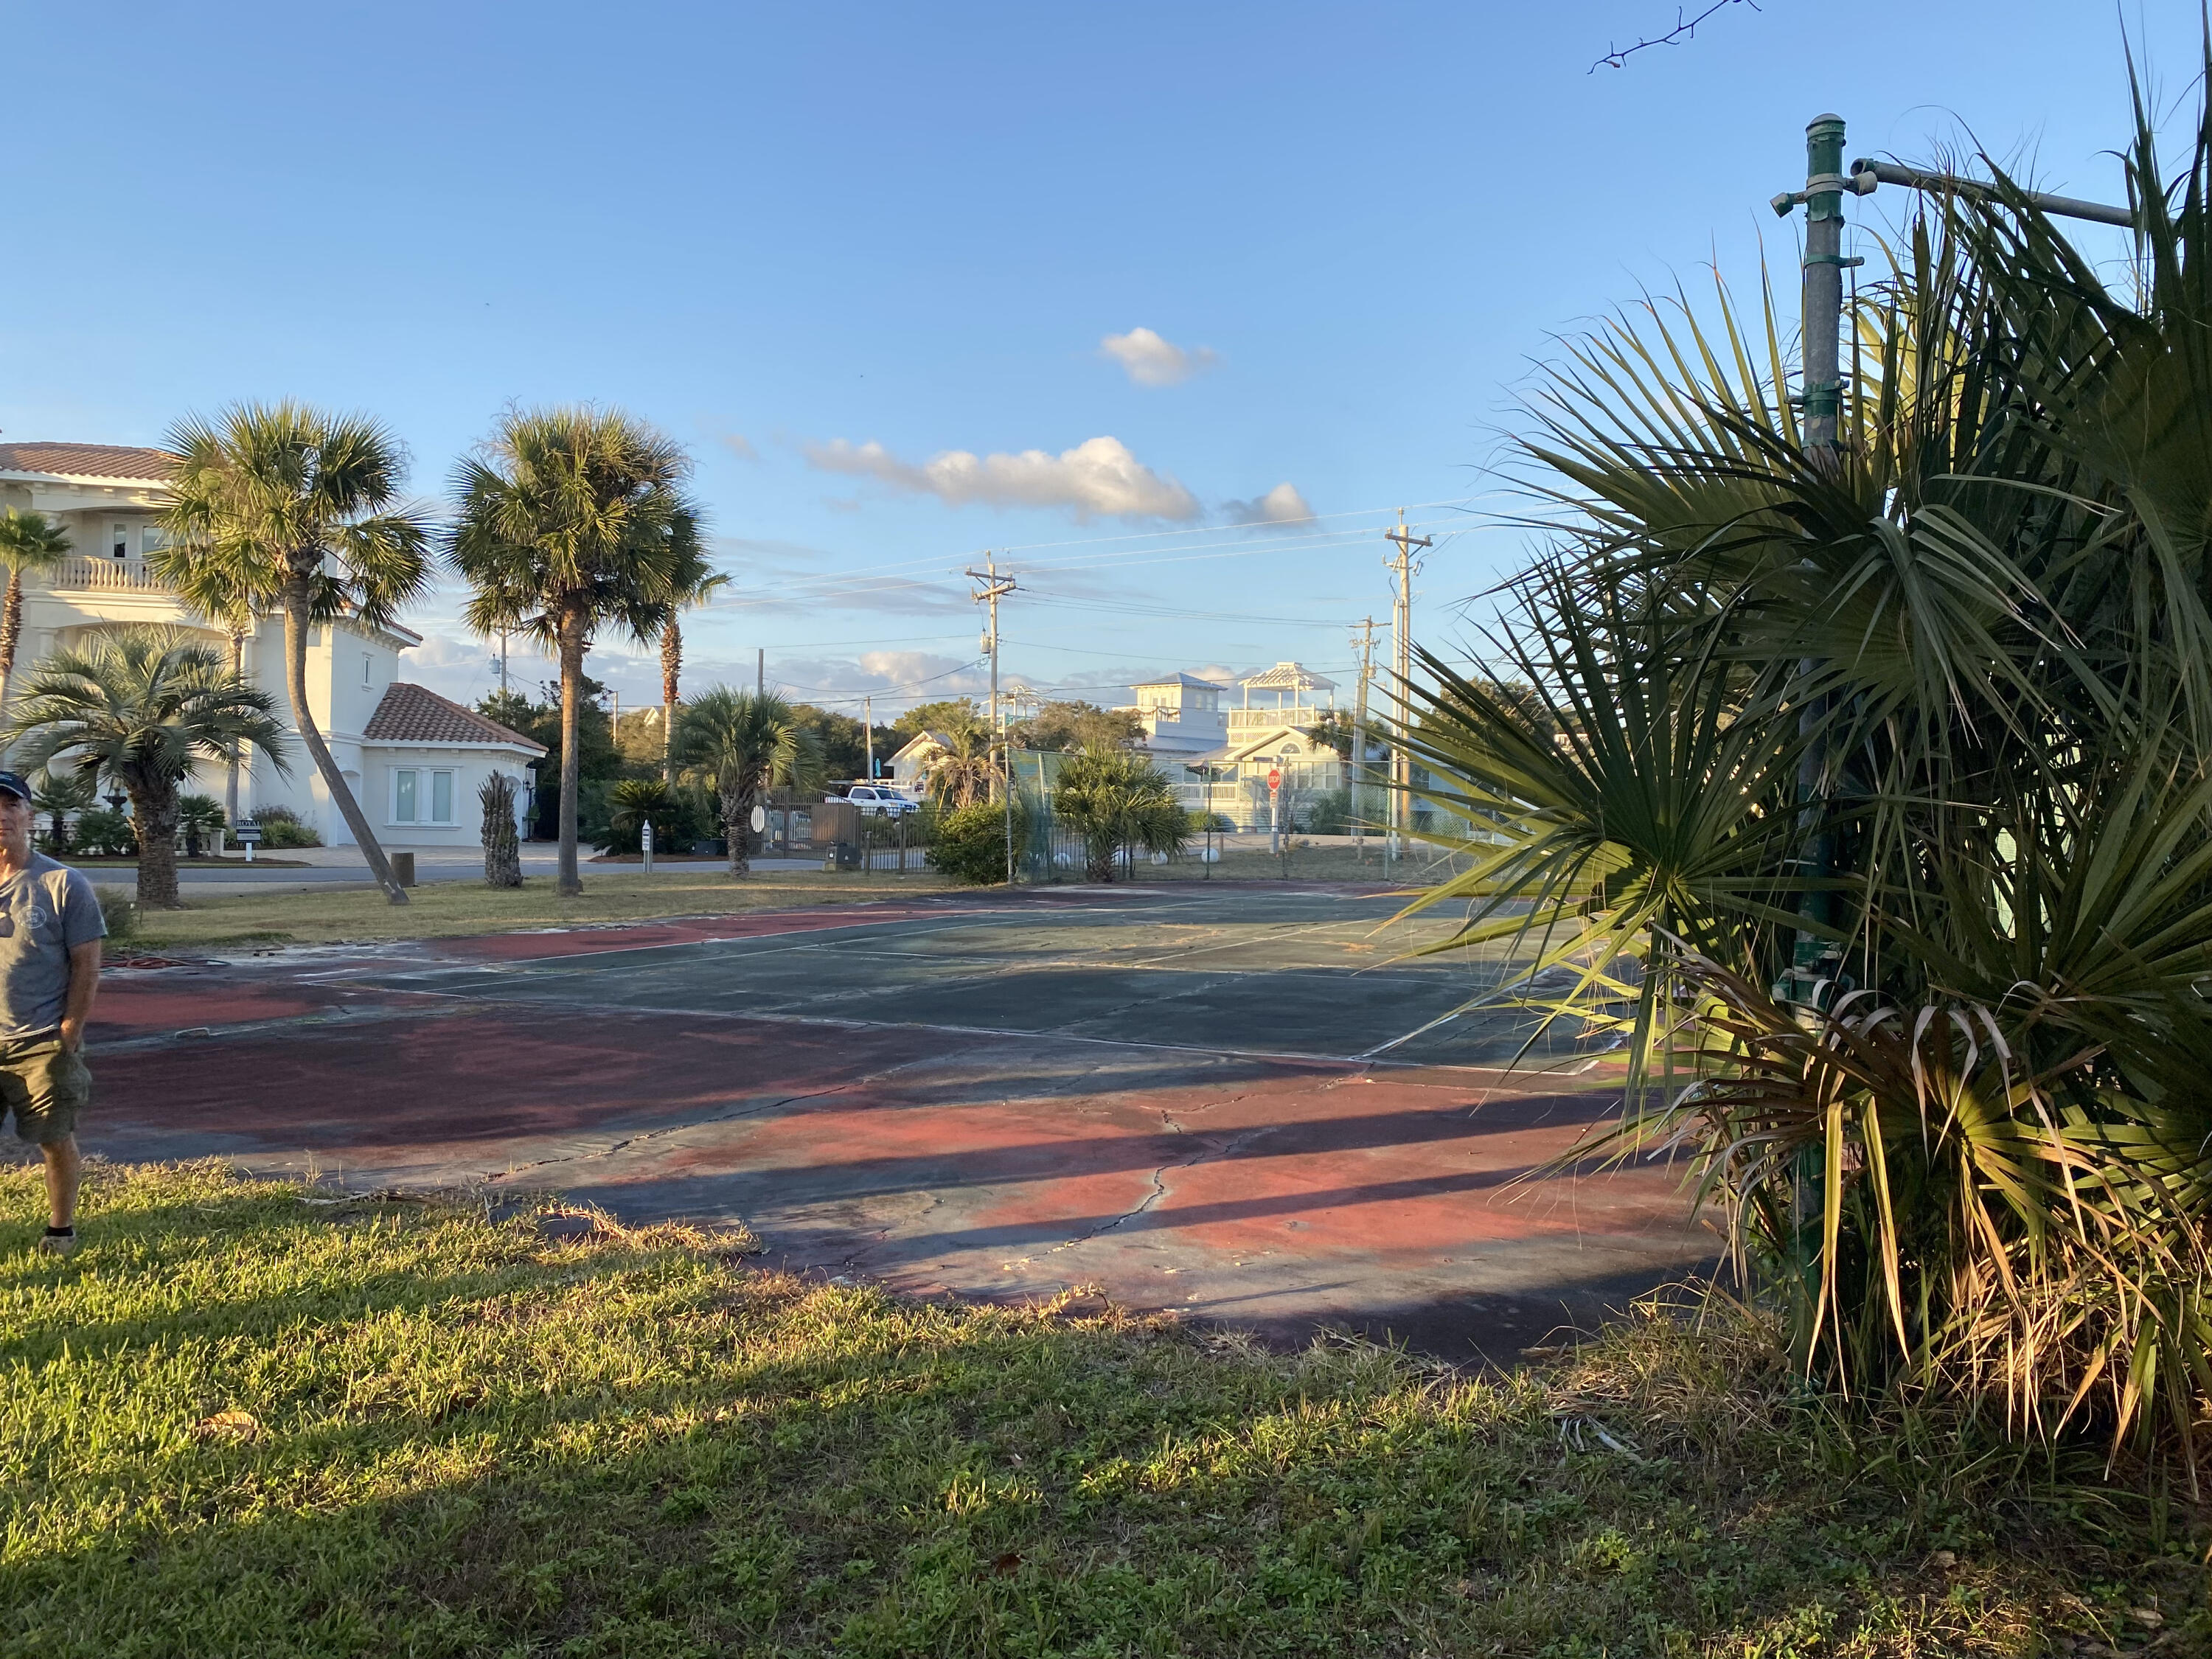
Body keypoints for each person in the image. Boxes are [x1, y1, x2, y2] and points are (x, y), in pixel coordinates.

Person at [0, 772, 105, 1256]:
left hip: (40, 1040)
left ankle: (60, 1230)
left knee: (54, 1137)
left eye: (11, 806)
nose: (1, 816)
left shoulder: (63, 883)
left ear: (30, 816)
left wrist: (70, 1028)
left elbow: (87, 964)